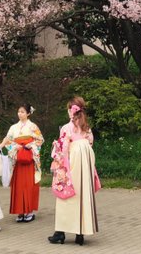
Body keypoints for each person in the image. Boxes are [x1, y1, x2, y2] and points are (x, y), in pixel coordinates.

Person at [48, 97, 100, 246]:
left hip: (72, 157)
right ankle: (80, 233)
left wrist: (55, 151)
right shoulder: (86, 127)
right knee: (82, 194)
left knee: (66, 192)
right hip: (85, 157)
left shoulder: (67, 127)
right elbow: (90, 142)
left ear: (71, 111)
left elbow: (62, 148)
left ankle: (60, 233)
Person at [2, 103, 44, 223]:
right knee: (19, 185)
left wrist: (29, 146)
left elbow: (40, 139)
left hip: (29, 159)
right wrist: (16, 147)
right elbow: (8, 140)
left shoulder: (33, 126)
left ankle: (29, 211)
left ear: (28, 113)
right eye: (19, 111)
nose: (20, 114)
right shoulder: (13, 127)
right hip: (18, 160)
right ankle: (20, 212)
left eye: (22, 112)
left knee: (29, 185)